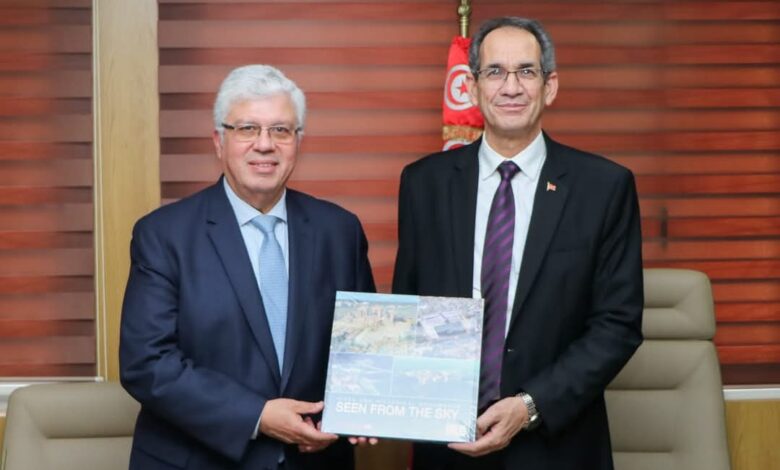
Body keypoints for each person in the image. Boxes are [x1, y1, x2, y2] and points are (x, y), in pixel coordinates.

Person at [392, 16, 643, 469]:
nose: (511, 87)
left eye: (526, 71)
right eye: (495, 72)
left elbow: (617, 324)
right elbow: (408, 307)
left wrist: (529, 406)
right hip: (446, 446)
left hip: (555, 447)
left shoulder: (603, 187)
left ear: (550, 87)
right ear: (472, 88)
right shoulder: (423, 183)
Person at [120, 65, 375, 470]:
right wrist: (257, 415)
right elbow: (147, 363)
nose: (265, 144)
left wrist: (350, 414)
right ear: (219, 141)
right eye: (247, 129)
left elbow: (361, 350)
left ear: (298, 141)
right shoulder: (164, 235)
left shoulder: (339, 231)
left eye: (280, 130)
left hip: (314, 460)